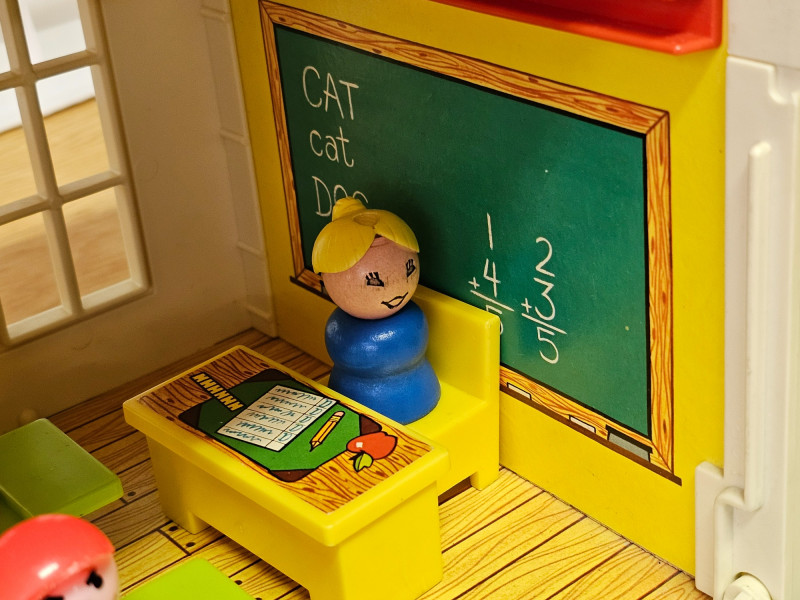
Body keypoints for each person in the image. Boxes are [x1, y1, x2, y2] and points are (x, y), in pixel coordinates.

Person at [313, 198, 440, 423]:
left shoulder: (413, 317)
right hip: (357, 404)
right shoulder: (340, 327)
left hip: (419, 391)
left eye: (409, 268)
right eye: (374, 281)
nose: (395, 287)